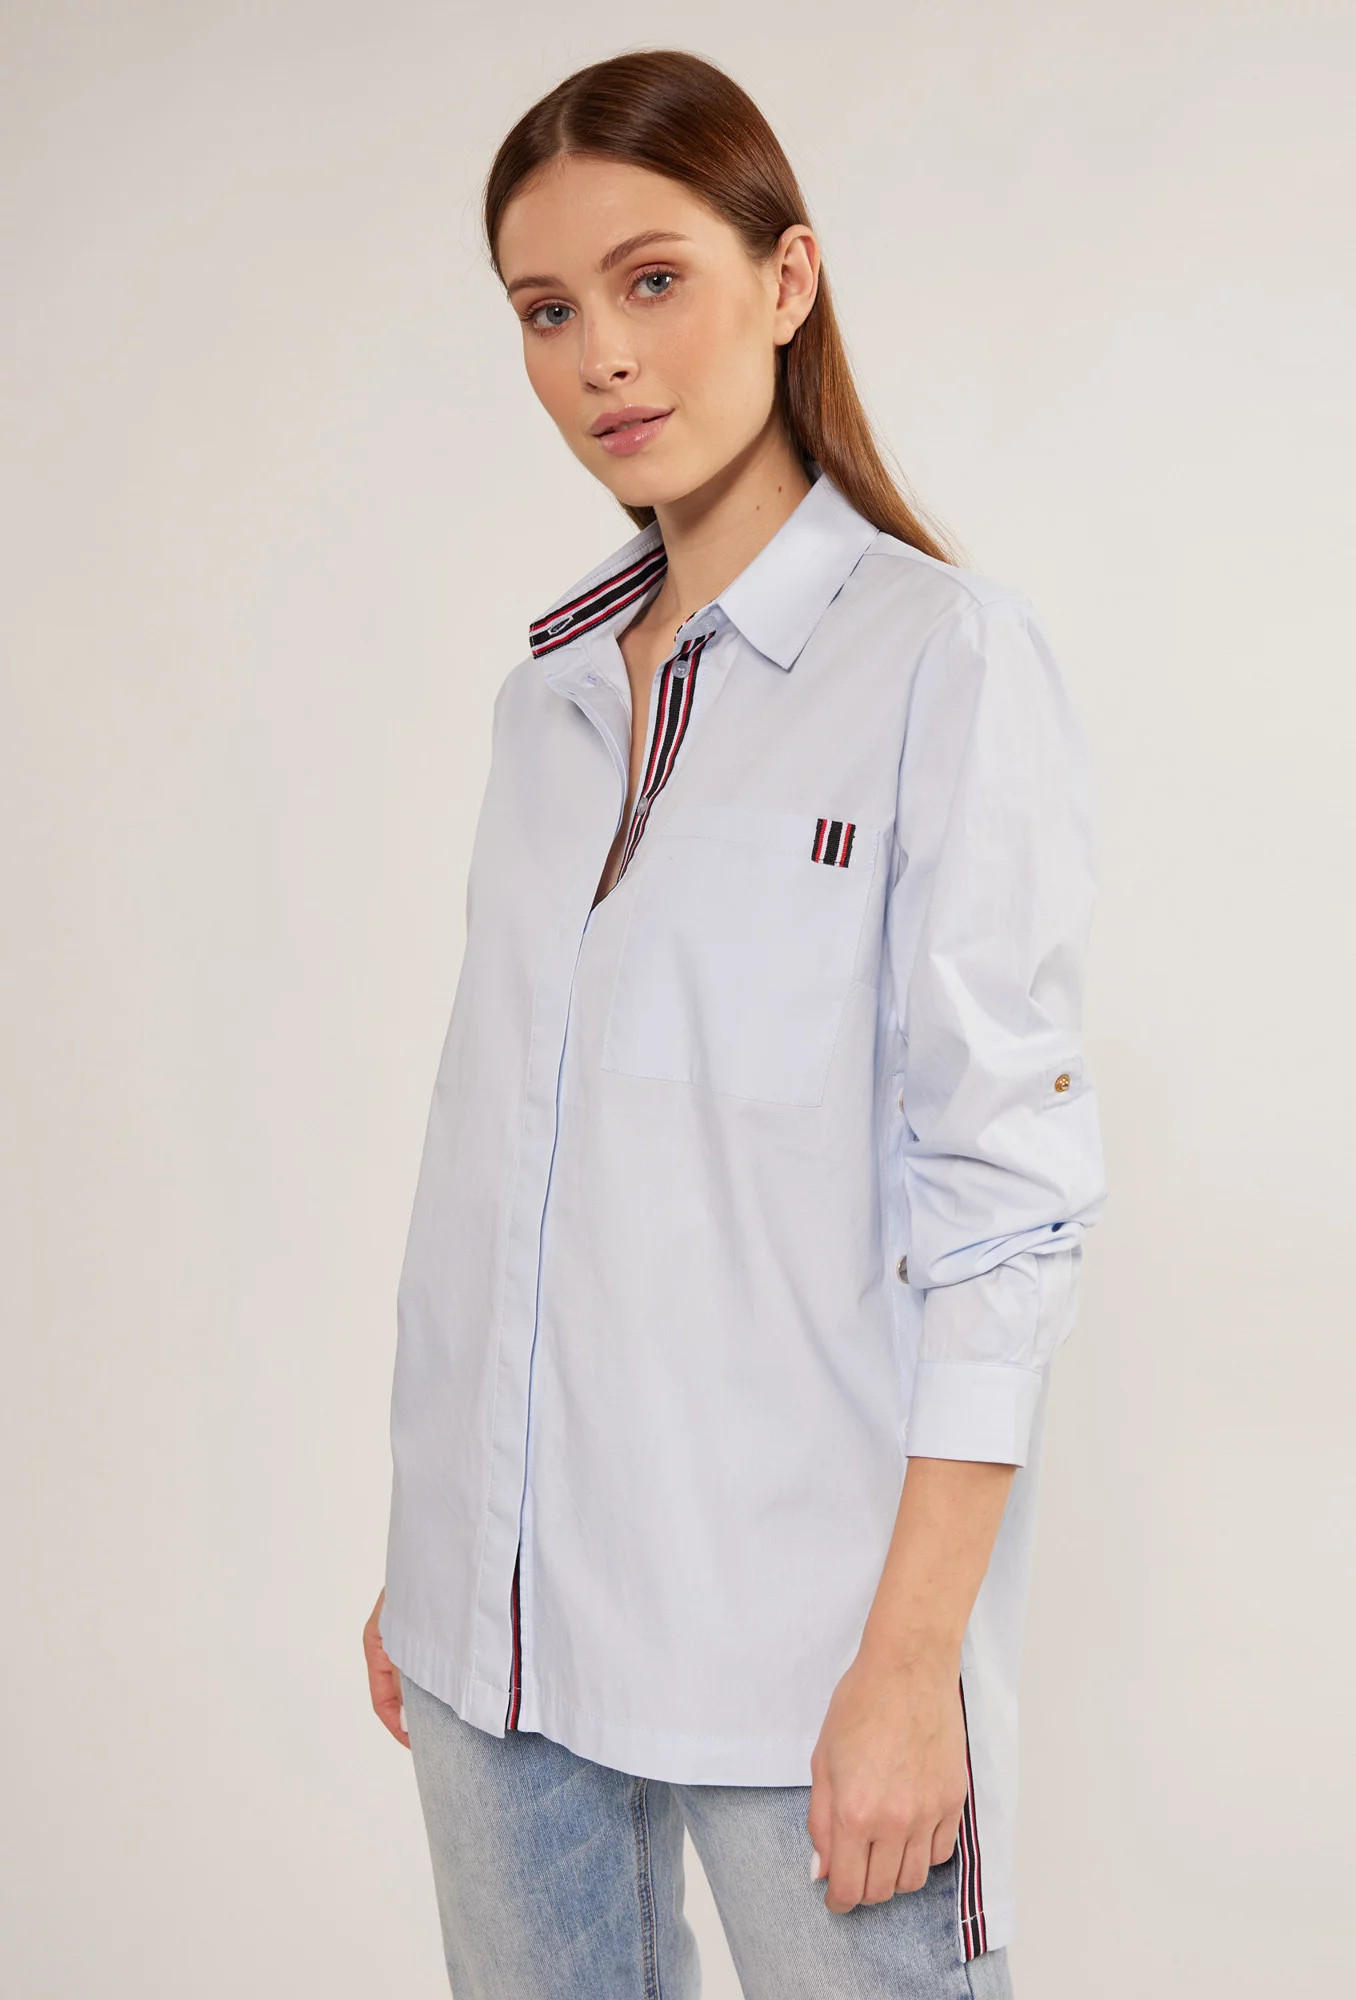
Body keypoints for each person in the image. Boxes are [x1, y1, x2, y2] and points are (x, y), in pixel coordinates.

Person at [362, 47, 1106, 2000]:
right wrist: (445, 1551)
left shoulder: (942, 663)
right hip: (497, 1641)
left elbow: (1007, 1205)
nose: (602, 354)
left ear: (787, 279)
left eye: (653, 279)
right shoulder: (544, 710)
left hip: (806, 1660)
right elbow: (507, 1152)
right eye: (546, 310)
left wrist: (911, 1666)